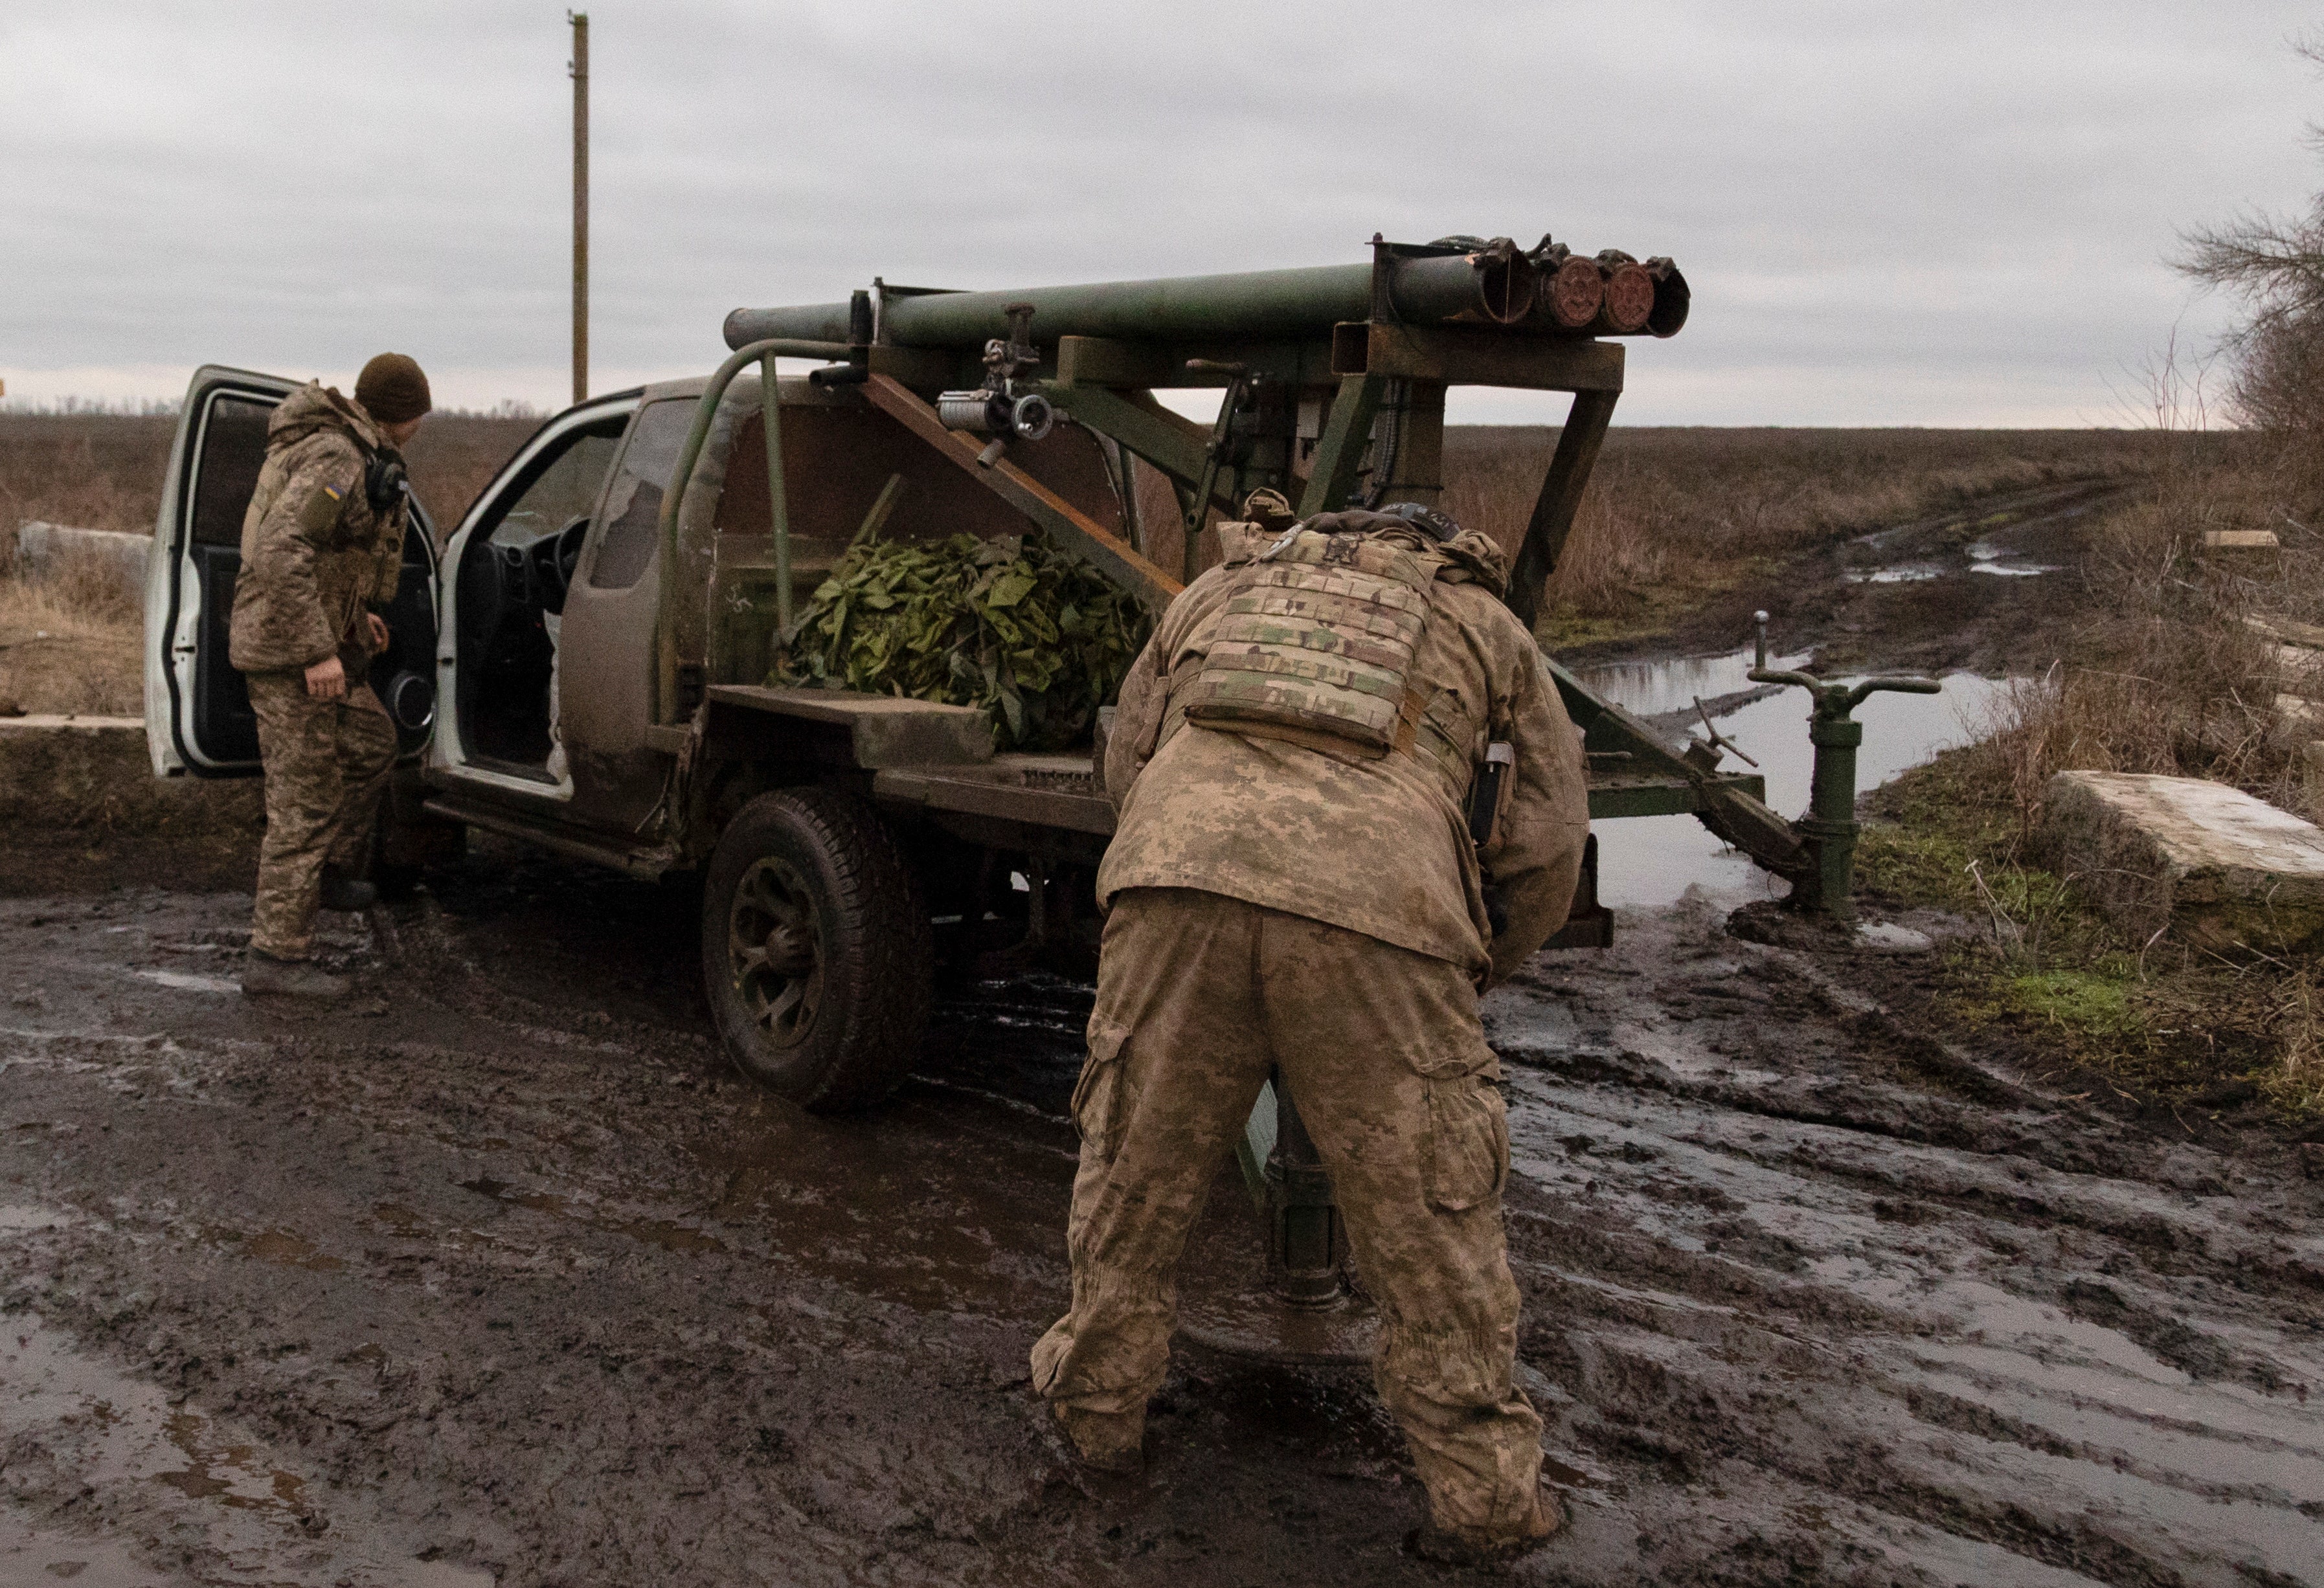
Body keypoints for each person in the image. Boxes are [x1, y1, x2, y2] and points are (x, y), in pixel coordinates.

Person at [1030, 494, 1591, 1566]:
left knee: (1131, 1172)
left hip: (1174, 879)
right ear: (1427, 547)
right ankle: (1482, 1500)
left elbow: (1128, 755)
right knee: (1431, 1220)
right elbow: (1546, 839)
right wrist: (1474, 959)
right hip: (1379, 912)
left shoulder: (1217, 588)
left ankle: (1093, 1416)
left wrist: (1177, 867)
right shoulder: (1481, 625)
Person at [232, 353, 431, 998]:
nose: (419, 429)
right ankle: (276, 956)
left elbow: (329, 557)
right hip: (287, 652)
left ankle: (323, 871)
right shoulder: (337, 458)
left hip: (318, 640)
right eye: (418, 417)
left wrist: (356, 623)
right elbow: (281, 551)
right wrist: (318, 651)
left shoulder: (353, 450)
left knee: (374, 743)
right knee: (305, 800)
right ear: (401, 413)